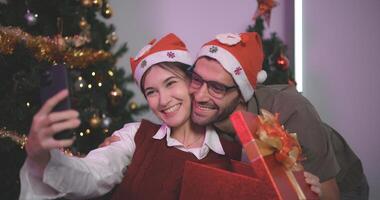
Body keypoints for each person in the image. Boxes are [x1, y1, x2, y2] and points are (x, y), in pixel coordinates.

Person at [19, 33, 243, 199]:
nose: (163, 100)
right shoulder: (135, 136)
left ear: (192, 83)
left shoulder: (235, 154)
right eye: (151, 92)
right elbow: (93, 173)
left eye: (171, 83)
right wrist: (42, 157)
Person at [188, 32, 367, 199]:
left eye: (217, 88)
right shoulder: (194, 112)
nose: (199, 95)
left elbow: (330, 192)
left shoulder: (291, 110)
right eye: (196, 79)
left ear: (242, 94)